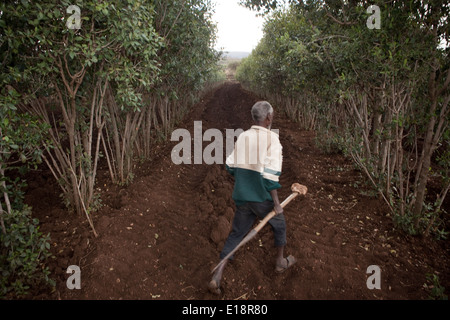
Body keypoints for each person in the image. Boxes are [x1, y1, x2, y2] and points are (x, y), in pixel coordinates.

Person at [208, 101, 296, 295]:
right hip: (260, 198)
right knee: (279, 223)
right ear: (269, 118)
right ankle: (280, 262)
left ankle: (217, 275)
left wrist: (245, 180)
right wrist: (275, 204)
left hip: (242, 196)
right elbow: (271, 178)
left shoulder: (243, 137)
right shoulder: (272, 140)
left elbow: (230, 166)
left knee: (236, 234)